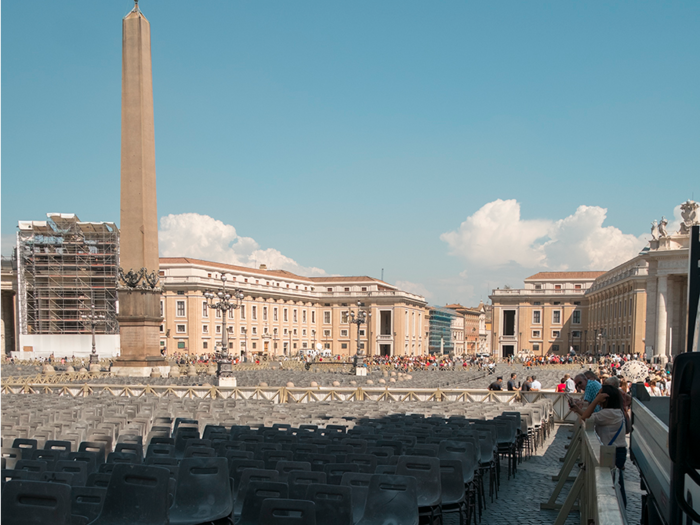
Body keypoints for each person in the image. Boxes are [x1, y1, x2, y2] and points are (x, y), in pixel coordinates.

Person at [571, 385, 628, 507]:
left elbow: (586, 417)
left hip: (613, 453)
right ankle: (618, 507)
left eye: (600, 394)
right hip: (616, 451)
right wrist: (577, 410)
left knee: (613, 484)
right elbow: (590, 418)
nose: (597, 396)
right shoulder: (614, 412)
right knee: (616, 482)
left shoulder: (609, 413)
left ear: (605, 398)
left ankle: (615, 509)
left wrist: (595, 402)